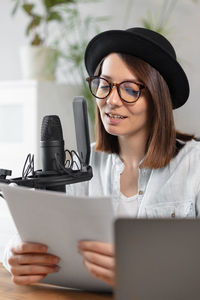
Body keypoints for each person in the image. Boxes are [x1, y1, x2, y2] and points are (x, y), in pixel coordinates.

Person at [3, 27, 200, 288]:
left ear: (157, 97)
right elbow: (26, 231)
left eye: (129, 89)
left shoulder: (194, 167)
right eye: (104, 85)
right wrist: (14, 253)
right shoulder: (78, 167)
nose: (111, 100)